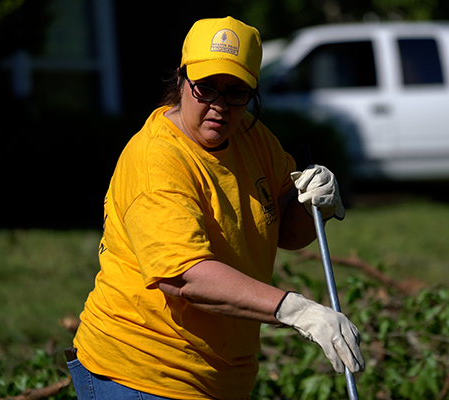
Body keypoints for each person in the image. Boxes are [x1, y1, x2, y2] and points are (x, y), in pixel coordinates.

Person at [67, 16, 364, 400]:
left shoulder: (254, 139)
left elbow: (287, 232)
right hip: (141, 373)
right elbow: (184, 278)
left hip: (220, 379)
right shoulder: (157, 160)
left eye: (235, 91)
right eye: (206, 88)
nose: (219, 106)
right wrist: (296, 310)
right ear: (181, 81)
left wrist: (316, 206)